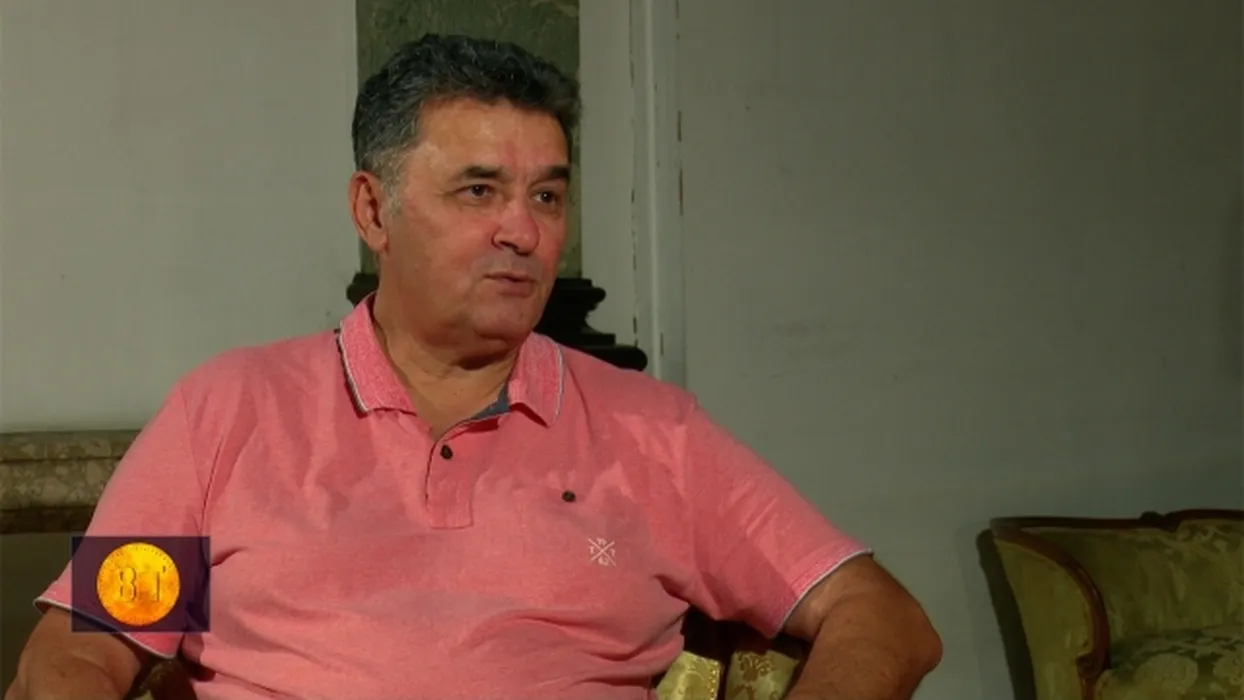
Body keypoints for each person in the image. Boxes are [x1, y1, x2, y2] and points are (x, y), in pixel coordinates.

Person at [6, 34, 940, 700]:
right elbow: (84, 648)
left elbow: (882, 617)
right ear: (373, 211)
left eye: (547, 197)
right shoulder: (230, 412)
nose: (522, 232)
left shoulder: (653, 433)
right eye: (479, 190)